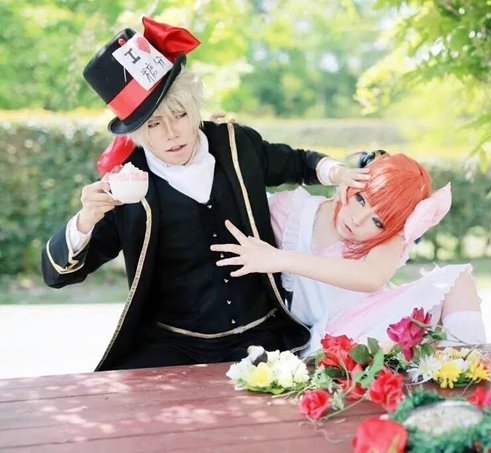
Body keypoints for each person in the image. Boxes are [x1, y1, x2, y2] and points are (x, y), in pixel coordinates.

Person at [41, 17, 365, 371]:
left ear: (194, 107)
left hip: (262, 333)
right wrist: (85, 220)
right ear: (136, 132)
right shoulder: (124, 182)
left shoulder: (235, 144)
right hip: (172, 345)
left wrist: (339, 173)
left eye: (180, 115)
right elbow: (58, 275)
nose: (171, 133)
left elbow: (299, 163)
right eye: (154, 124)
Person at [211, 151, 487, 356]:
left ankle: (467, 371)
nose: (358, 219)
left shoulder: (390, 237)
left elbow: (370, 278)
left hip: (370, 325)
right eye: (360, 199)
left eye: (376, 221)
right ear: (351, 183)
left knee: (458, 280)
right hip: (322, 340)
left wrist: (280, 259)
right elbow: (230, 201)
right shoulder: (292, 211)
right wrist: (221, 146)